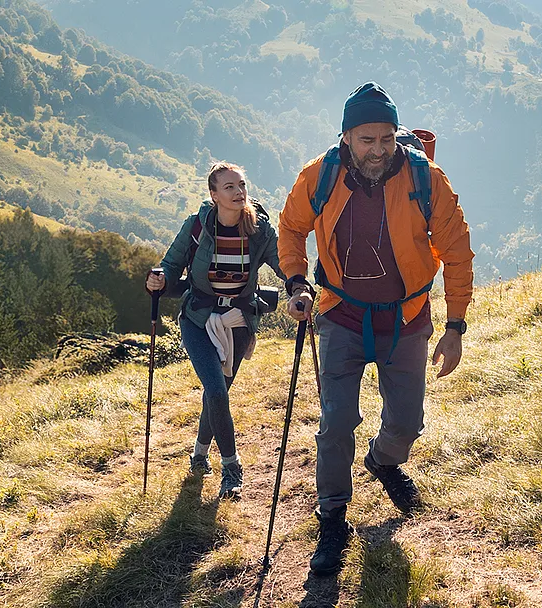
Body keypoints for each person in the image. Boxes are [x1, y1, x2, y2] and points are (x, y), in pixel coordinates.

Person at [277, 82, 475, 576]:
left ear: (396, 136)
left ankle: (385, 461)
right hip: (341, 314)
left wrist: (455, 325)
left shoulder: (425, 178)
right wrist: (297, 281)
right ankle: (333, 518)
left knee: (408, 422)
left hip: (406, 319)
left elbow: (457, 251)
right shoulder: (318, 176)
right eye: (367, 140)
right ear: (346, 138)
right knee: (336, 422)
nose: (378, 150)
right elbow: (291, 227)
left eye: (386, 138)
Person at [146, 162, 286, 499]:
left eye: (242, 185)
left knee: (216, 393)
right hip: (197, 318)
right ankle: (232, 467)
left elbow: (286, 263)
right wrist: (159, 279)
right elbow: (170, 264)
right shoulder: (196, 227)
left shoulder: (260, 230)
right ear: (214, 195)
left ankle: (198, 454)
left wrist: (300, 285)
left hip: (238, 322)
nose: (239, 193)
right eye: (230, 187)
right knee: (218, 391)